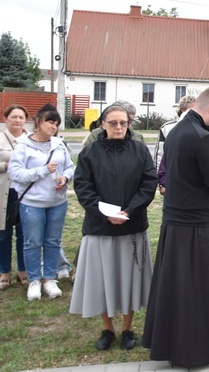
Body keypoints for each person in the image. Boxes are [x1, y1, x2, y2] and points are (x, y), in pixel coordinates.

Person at [142, 87, 209, 367]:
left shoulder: (176, 132)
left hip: (174, 222)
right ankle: (195, 352)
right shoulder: (203, 138)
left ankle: (172, 346)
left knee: (176, 287)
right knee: (198, 290)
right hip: (197, 226)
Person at [70, 104, 158, 350]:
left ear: (129, 124)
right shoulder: (90, 152)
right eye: (113, 123)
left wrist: (129, 211)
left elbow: (148, 184)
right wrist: (104, 212)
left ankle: (128, 328)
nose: (119, 127)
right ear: (103, 124)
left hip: (131, 225)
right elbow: (83, 186)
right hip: (100, 227)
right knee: (103, 278)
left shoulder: (140, 151)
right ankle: (107, 328)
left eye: (123, 123)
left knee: (129, 279)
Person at [8, 104, 74, 301]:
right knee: (32, 242)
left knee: (53, 241)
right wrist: (43, 170)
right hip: (32, 203)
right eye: (50, 122)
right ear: (38, 122)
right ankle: (34, 280)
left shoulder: (59, 144)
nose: (53, 126)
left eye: (56, 123)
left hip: (57, 201)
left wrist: (65, 179)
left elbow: (70, 166)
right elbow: (15, 173)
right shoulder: (23, 145)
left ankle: (49, 278)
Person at [0, 104, 29, 289]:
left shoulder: (30, 141)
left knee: (24, 233)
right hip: (4, 192)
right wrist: (5, 165)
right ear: (6, 119)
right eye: (13, 117)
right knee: (3, 234)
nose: (17, 120)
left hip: (25, 193)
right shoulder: (0, 139)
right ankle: (4, 272)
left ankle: (23, 270)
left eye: (21, 117)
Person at [153, 95, 196, 192]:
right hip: (170, 178)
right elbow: (160, 154)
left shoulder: (201, 128)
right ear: (182, 109)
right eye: (191, 110)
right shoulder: (167, 128)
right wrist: (161, 182)